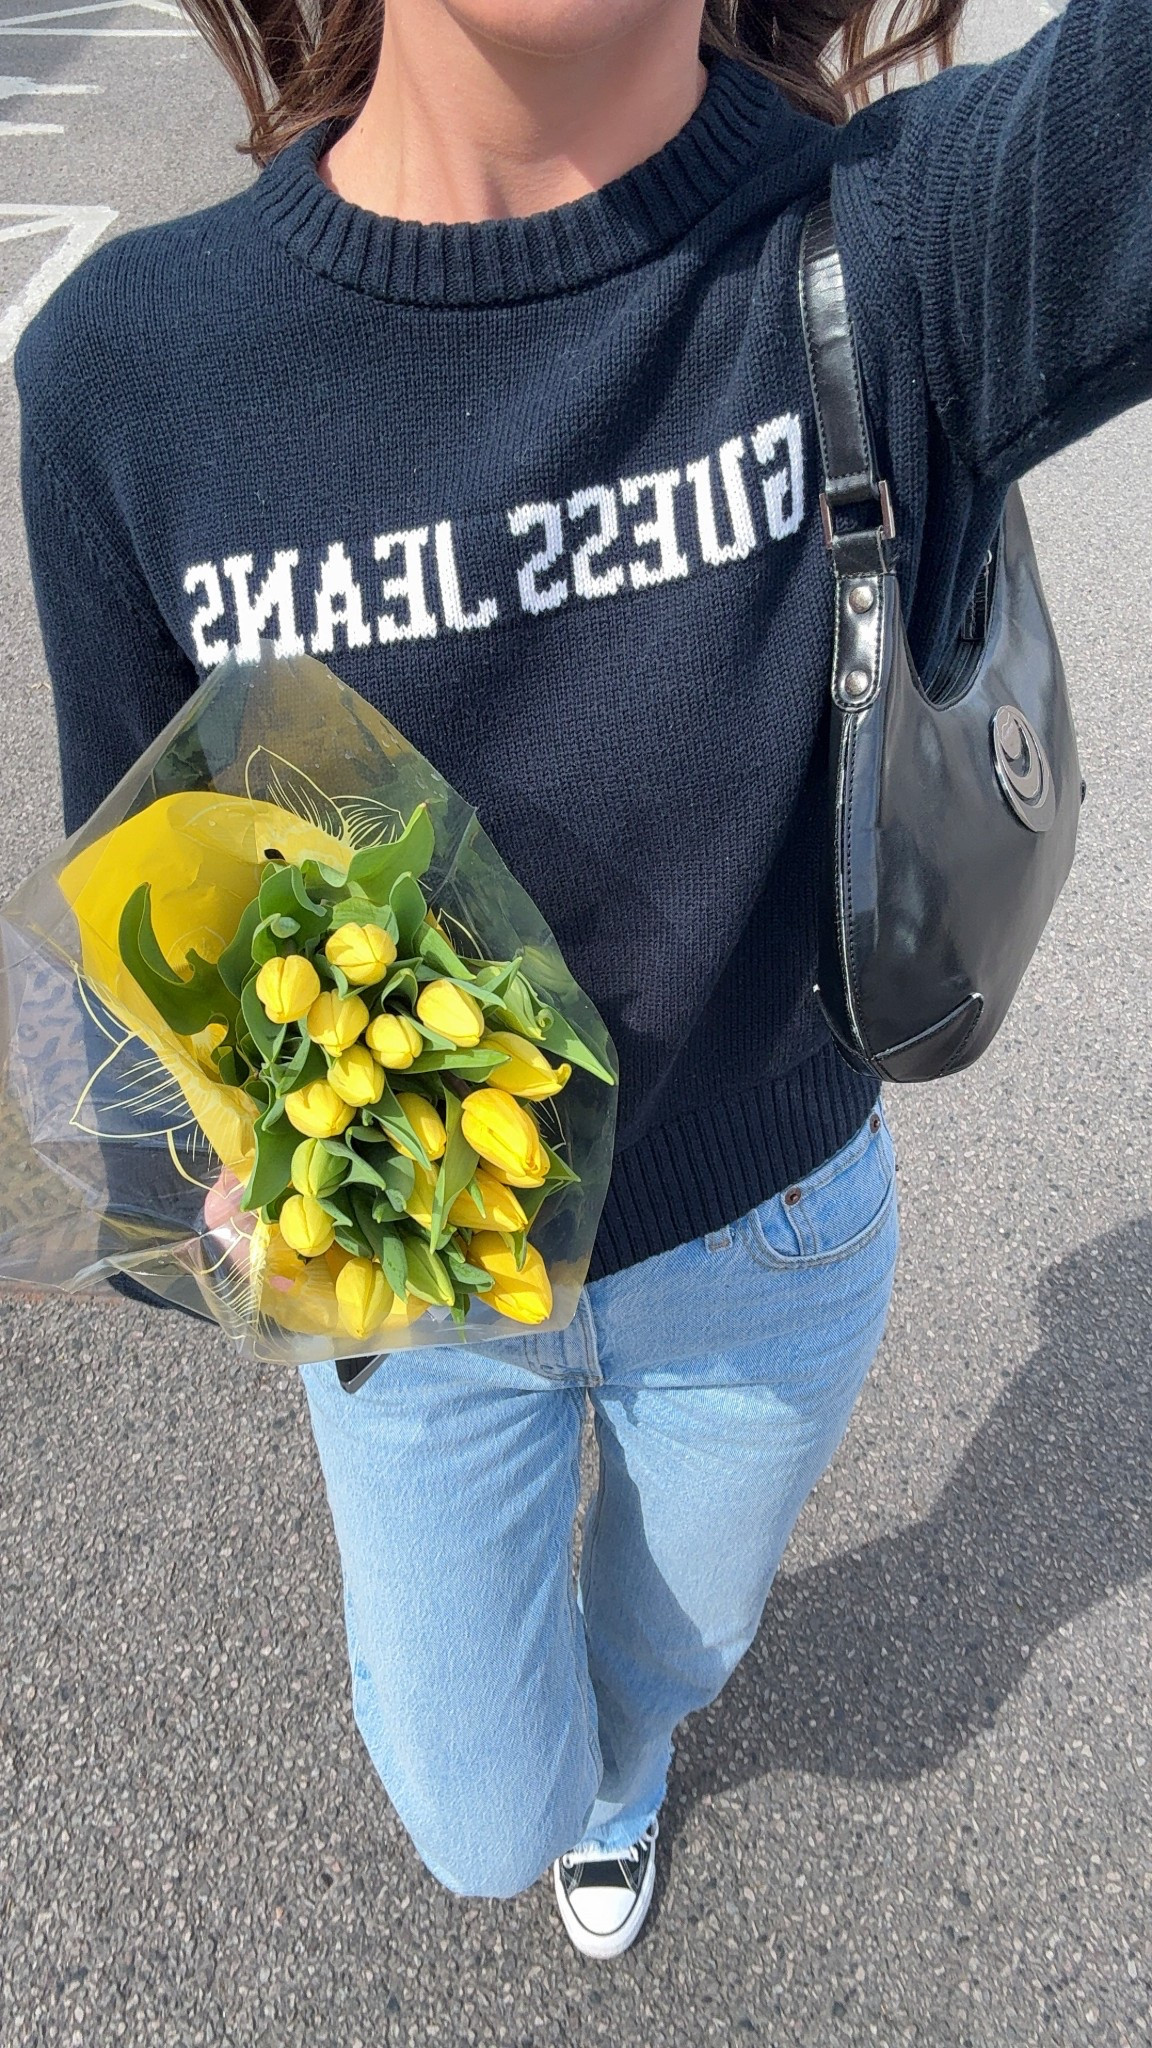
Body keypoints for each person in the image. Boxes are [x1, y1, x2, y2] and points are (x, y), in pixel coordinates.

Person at [12, 0, 1152, 1962]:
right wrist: (208, 1186)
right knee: (480, 1821)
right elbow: (148, 914)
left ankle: (633, 1762)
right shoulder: (130, 369)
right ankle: (561, 1784)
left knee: (669, 1651)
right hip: (419, 1299)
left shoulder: (912, 245)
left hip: (768, 1254)